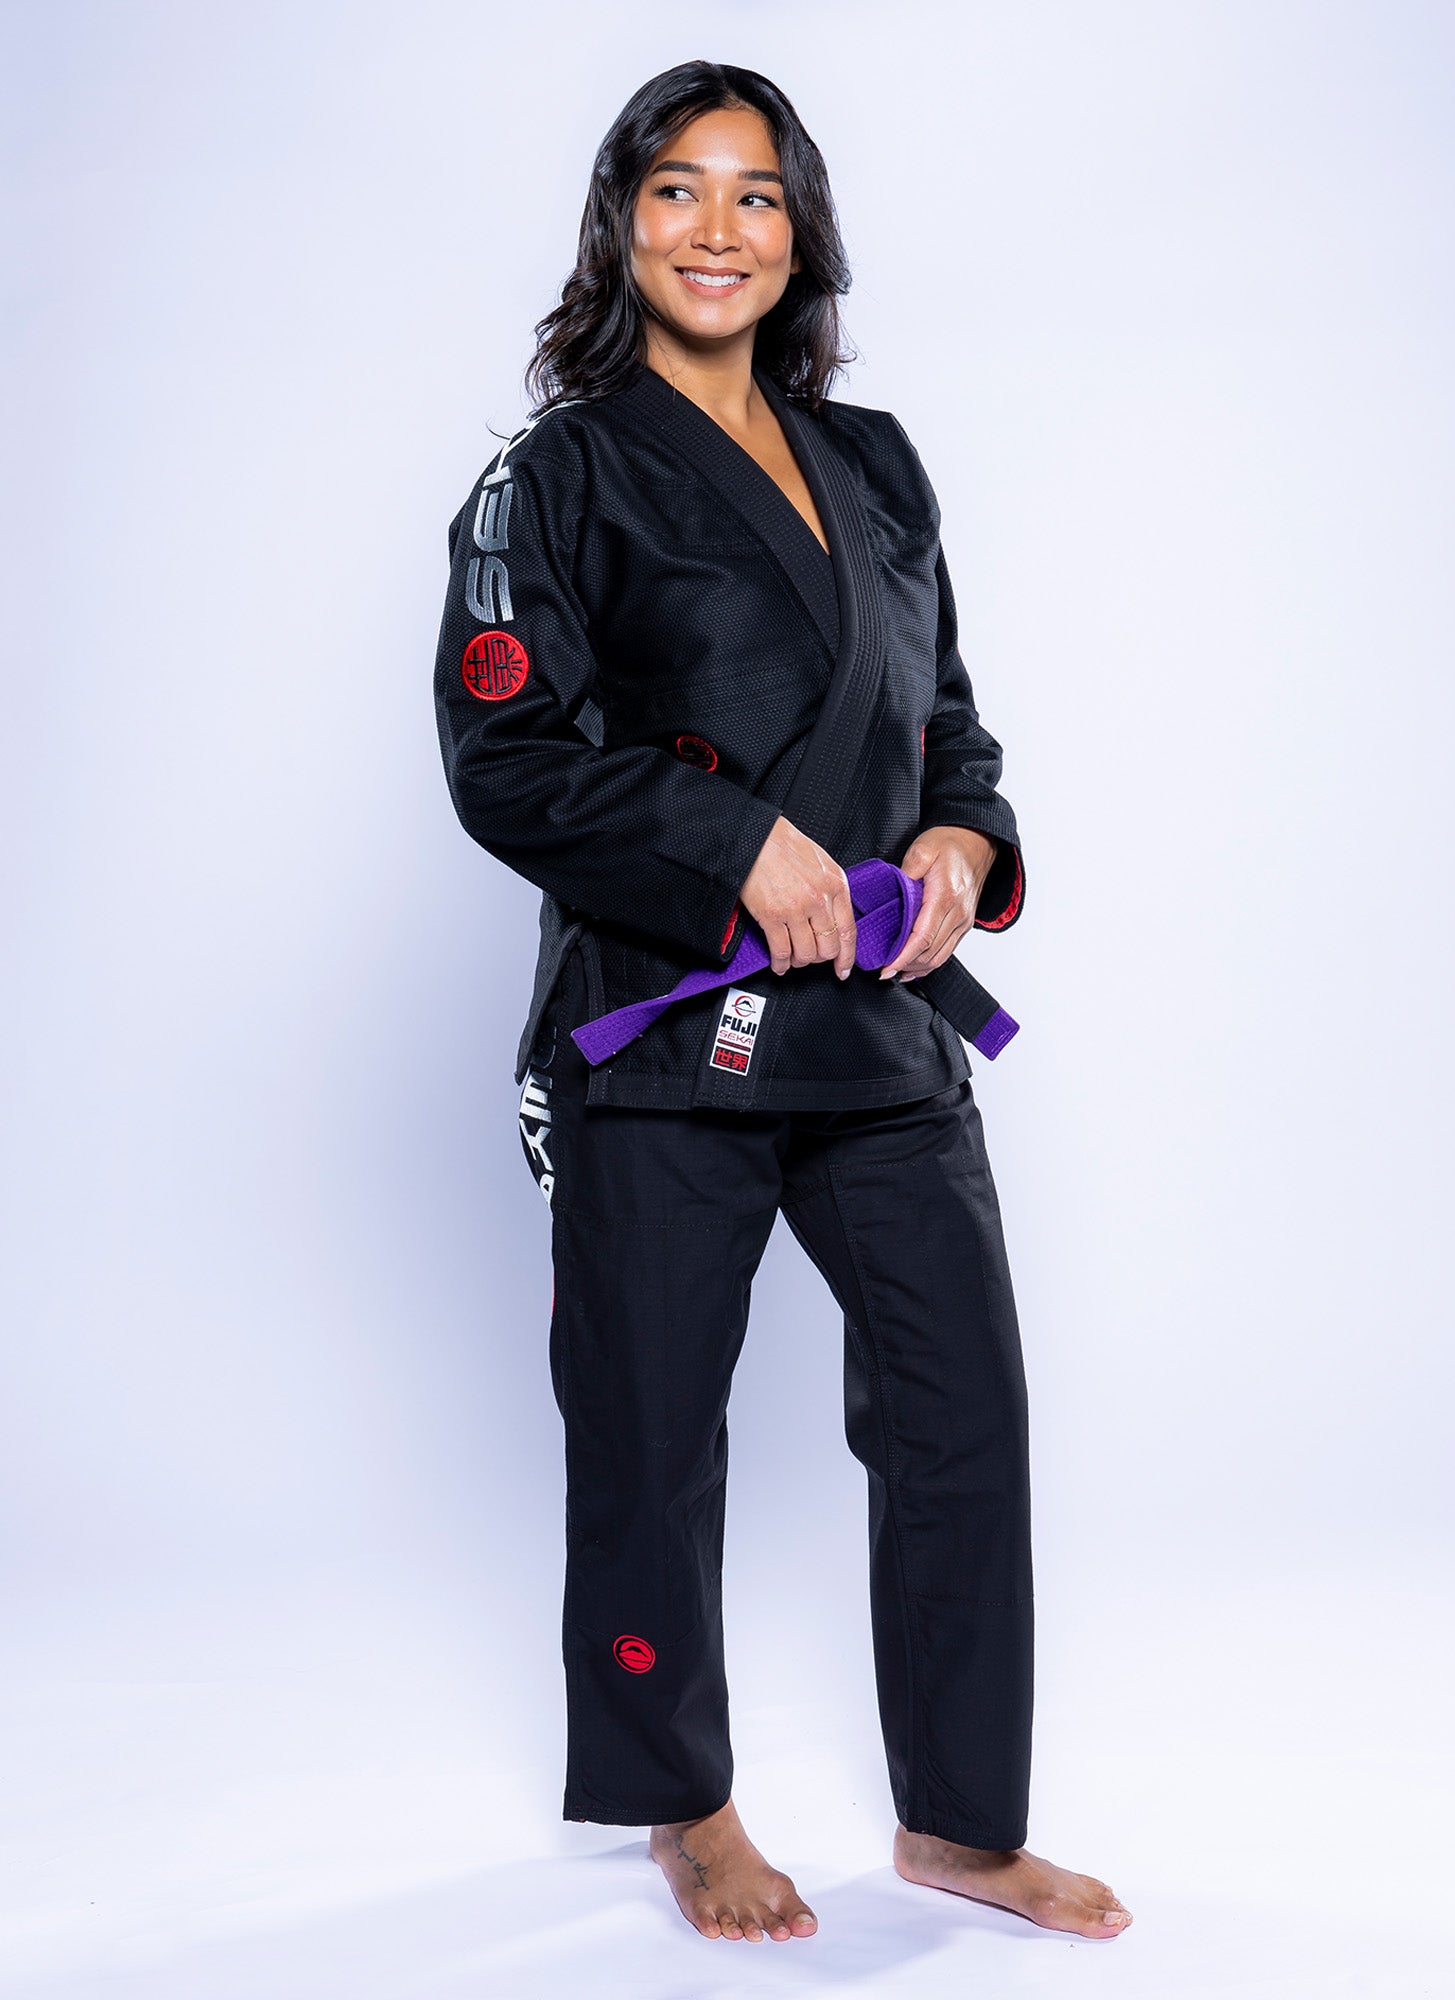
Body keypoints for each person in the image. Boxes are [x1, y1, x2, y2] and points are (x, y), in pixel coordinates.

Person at [434, 59, 1132, 1948]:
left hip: (887, 1037)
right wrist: (729, 847)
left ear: (802, 230)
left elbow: (949, 723)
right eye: (675, 190)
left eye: (754, 195)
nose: (716, 229)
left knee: (961, 1416)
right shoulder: (553, 476)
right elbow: (506, 759)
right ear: (620, 223)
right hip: (664, 1043)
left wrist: (970, 848)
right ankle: (685, 1805)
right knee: (652, 1434)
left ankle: (962, 1824)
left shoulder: (880, 463)